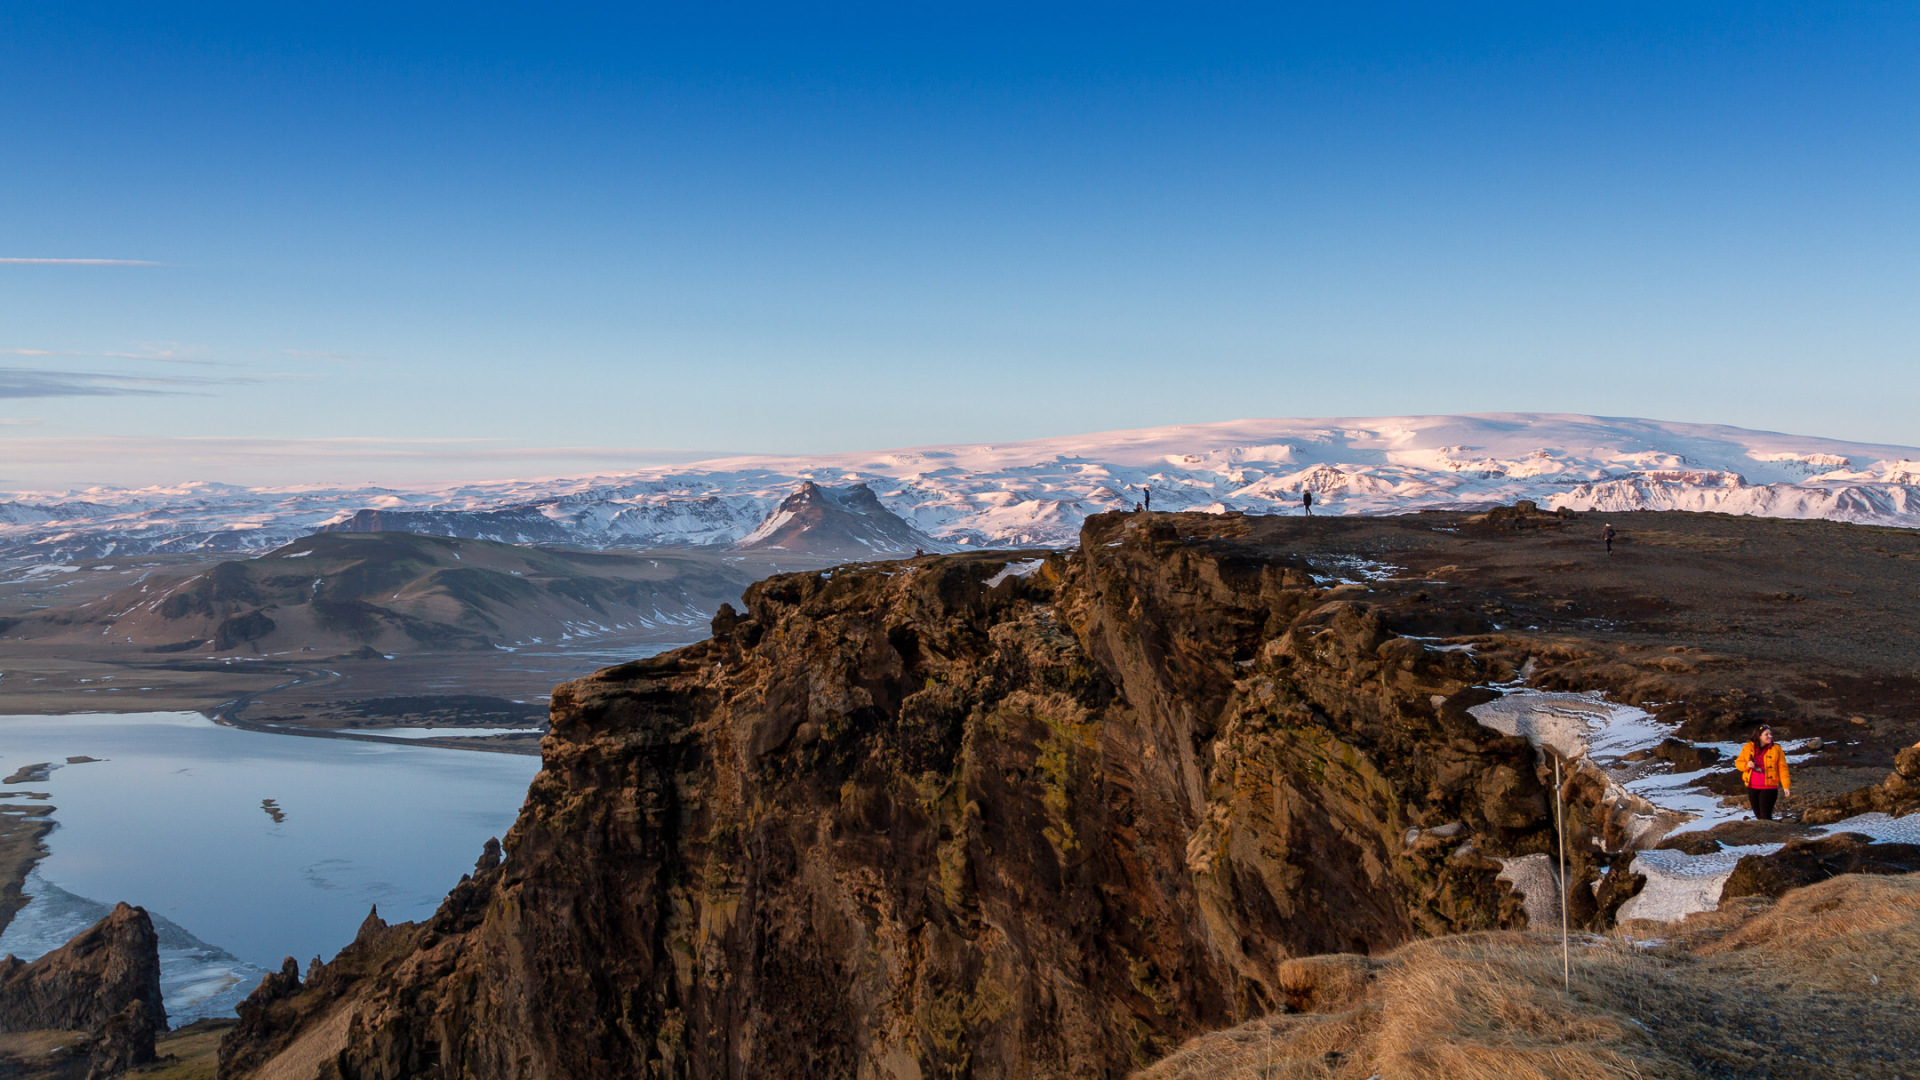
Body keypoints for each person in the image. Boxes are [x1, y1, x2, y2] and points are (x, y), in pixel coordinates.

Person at [1733, 725, 1791, 820]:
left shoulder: (1776, 749)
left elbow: (1782, 768)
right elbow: (1738, 763)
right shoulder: (1748, 747)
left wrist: (1786, 786)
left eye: (1770, 734)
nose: (1770, 736)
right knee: (1758, 816)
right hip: (1752, 787)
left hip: (1769, 787)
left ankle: (1772, 834)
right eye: (1766, 734)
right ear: (1759, 736)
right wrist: (1747, 765)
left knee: (1765, 817)